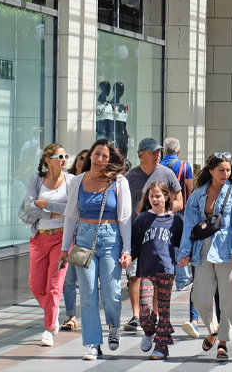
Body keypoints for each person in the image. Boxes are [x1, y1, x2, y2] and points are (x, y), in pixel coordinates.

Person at [59, 139, 132, 360]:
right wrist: (65, 247)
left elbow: (125, 218)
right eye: (97, 154)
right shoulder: (78, 181)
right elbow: (71, 216)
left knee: (111, 293)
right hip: (83, 238)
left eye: (105, 156)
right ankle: (92, 343)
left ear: (111, 160)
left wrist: (127, 249)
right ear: (90, 155)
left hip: (111, 239)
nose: (100, 159)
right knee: (88, 295)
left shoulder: (119, 182)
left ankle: (113, 325)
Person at [178, 152, 232, 362]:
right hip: (203, 248)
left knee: (228, 296)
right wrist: (185, 252)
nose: (225, 174)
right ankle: (214, 328)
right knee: (199, 296)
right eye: (221, 170)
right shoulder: (197, 194)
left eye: (228, 170)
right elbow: (189, 226)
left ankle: (223, 343)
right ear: (211, 171)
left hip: (228, 249)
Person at [125, 138, 183, 332]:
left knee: (157, 276)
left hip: (160, 233)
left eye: (158, 152)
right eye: (152, 152)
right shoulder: (130, 176)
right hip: (136, 231)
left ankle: (156, 315)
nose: (157, 155)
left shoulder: (167, 173)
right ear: (141, 154)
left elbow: (180, 201)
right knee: (134, 274)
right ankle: (135, 315)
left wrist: (163, 210)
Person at [18, 144, 74, 347]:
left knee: (54, 286)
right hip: (39, 237)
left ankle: (49, 329)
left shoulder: (71, 180)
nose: (64, 159)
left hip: (62, 239)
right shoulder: (37, 179)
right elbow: (28, 207)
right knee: (35, 285)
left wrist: (47, 205)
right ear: (48, 160)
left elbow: (72, 208)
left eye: (66, 155)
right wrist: (51, 213)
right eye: (60, 156)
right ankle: (54, 310)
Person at [131, 181, 183, 360]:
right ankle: (149, 330)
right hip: (146, 269)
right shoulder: (142, 218)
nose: (154, 199)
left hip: (167, 270)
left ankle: (162, 348)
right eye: (151, 196)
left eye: (158, 195)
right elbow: (134, 245)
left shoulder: (174, 219)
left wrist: (187, 256)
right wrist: (127, 257)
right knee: (144, 308)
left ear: (166, 197)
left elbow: (181, 243)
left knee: (164, 310)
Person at [160, 137, 194, 291]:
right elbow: (190, 188)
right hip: (180, 209)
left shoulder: (157, 166)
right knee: (180, 243)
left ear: (163, 151)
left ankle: (163, 276)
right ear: (178, 151)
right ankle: (182, 279)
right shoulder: (184, 166)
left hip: (160, 210)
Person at [60, 148, 89, 332]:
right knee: (69, 279)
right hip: (68, 237)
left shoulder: (91, 183)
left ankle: (87, 313)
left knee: (87, 279)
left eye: (87, 158)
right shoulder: (67, 181)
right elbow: (66, 209)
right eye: (81, 157)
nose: (83, 160)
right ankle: (71, 316)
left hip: (85, 237)